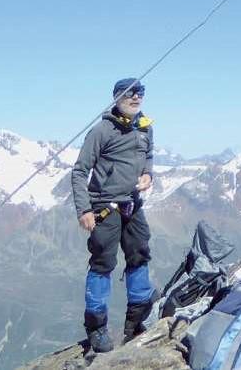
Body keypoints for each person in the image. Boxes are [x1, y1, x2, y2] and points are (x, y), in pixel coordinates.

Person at [71, 78, 156, 354]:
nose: (136, 97)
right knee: (102, 263)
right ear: (116, 97)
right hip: (104, 206)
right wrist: (84, 209)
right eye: (130, 93)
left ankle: (138, 319)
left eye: (140, 92)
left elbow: (148, 157)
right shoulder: (101, 131)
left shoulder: (145, 127)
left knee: (139, 254)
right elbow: (79, 171)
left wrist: (148, 174)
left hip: (133, 204)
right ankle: (96, 327)